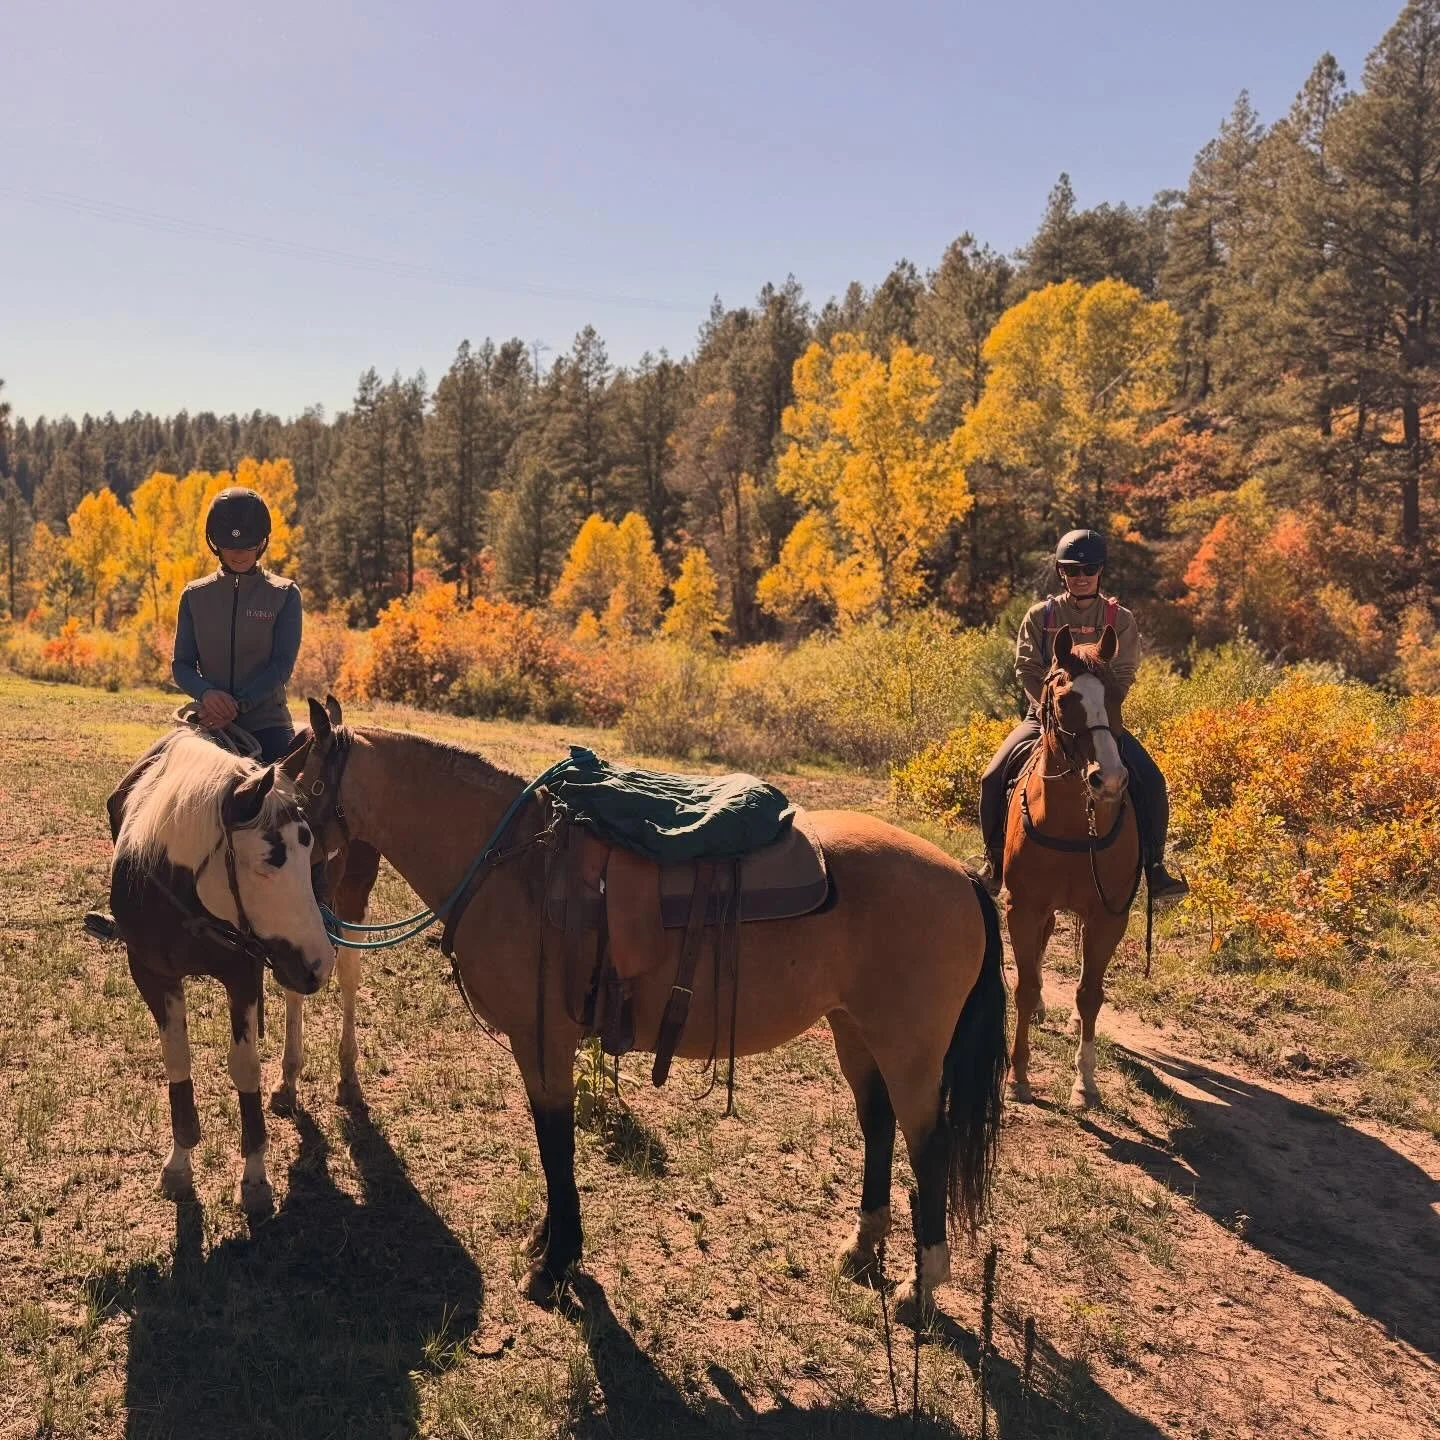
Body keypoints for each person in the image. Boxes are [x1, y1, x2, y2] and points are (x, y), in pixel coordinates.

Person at [977, 528, 1188, 902]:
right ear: (1062, 573)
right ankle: (994, 861)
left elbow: (1123, 673)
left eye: (1089, 567)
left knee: (1152, 780)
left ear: (1101, 570)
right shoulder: (1040, 616)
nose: (1081, 575)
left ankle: (1155, 869)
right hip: (1044, 716)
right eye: (1073, 569)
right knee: (992, 777)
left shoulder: (1119, 618)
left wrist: (1099, 711)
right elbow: (1027, 668)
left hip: (1101, 721)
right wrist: (1048, 709)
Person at [172, 487, 302, 764]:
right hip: (207, 722)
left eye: (249, 545)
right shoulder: (194, 595)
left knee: (290, 800)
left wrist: (238, 704)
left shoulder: (284, 594)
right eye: (230, 546)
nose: (239, 553)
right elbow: (181, 664)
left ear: (262, 543)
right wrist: (206, 695)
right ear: (215, 544)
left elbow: (281, 666)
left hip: (268, 725)